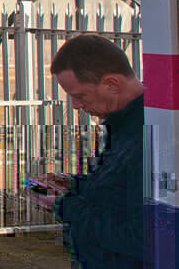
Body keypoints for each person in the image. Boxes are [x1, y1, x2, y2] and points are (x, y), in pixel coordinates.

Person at [28, 34, 144, 268]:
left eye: (79, 96)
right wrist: (75, 184)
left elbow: (142, 237)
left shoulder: (152, 136)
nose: (76, 106)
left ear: (112, 84)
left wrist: (63, 205)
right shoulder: (124, 125)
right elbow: (119, 192)